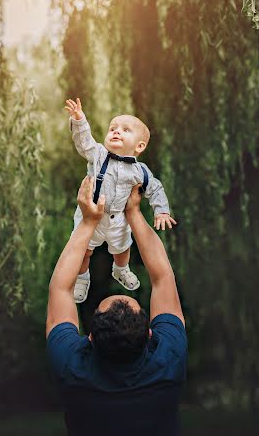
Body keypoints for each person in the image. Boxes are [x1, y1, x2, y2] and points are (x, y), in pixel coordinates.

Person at [46, 176, 187, 436]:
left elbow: (60, 289)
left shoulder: (73, 368)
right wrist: (132, 212)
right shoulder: (168, 360)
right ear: (149, 334)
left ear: (90, 338)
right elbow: (163, 277)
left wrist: (88, 221)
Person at [64, 97, 176, 303]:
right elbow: (84, 142)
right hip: (92, 216)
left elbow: (155, 188)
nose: (116, 131)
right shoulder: (98, 155)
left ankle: (121, 269)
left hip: (119, 220)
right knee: (84, 251)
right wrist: (80, 121)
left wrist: (161, 210)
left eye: (125, 130)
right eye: (113, 128)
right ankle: (82, 278)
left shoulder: (140, 171)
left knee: (123, 249)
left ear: (140, 146)